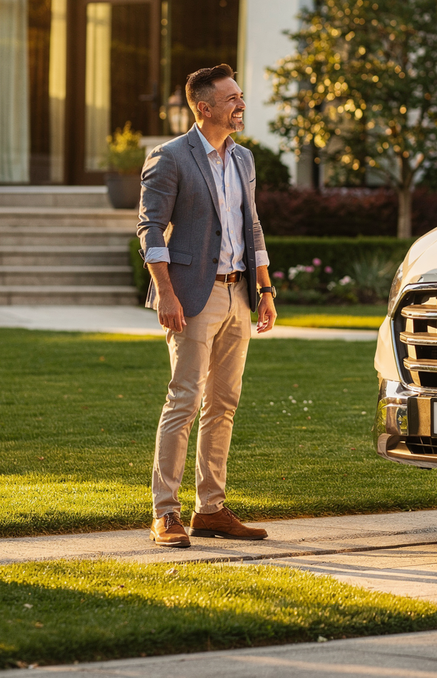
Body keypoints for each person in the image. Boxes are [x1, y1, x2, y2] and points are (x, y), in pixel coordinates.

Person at [137, 63, 277, 548]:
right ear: (205, 106)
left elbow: (251, 225)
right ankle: (165, 512)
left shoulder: (243, 159)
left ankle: (211, 509)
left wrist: (264, 288)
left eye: (240, 96)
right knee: (184, 401)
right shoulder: (170, 157)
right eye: (232, 98)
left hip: (239, 293)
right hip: (192, 296)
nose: (240, 104)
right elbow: (149, 229)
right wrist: (167, 292)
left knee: (224, 404)